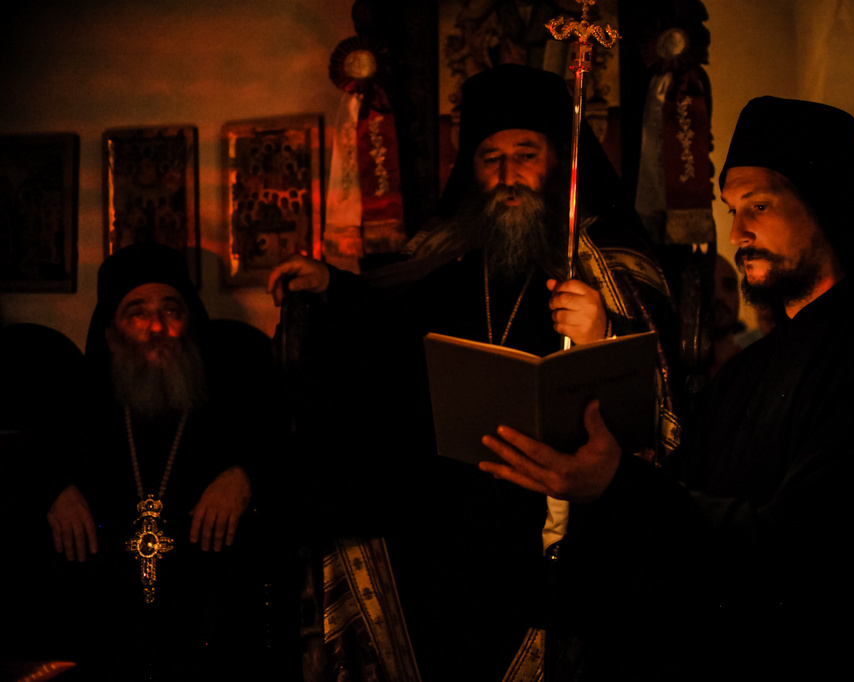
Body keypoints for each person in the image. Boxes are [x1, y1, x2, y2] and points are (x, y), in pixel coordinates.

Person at [481, 96, 854, 678]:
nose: (737, 232)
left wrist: (619, 483)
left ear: (824, 205)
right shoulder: (748, 371)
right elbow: (685, 505)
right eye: (732, 209)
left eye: (759, 206)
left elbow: (804, 551)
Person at [269, 64, 679, 681]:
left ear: (558, 161)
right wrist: (332, 287)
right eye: (491, 159)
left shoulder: (608, 264)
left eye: (525, 155)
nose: (508, 176)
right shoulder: (445, 256)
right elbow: (387, 327)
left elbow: (659, 389)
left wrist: (602, 333)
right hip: (443, 542)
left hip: (554, 534)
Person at [31, 243, 273, 681]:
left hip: (214, 642)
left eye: (171, 310)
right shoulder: (80, 408)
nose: (157, 326)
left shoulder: (232, 401)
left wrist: (246, 475)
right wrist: (53, 490)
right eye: (137, 313)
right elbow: (29, 462)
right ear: (110, 335)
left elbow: (288, 455)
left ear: (190, 322)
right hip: (105, 641)